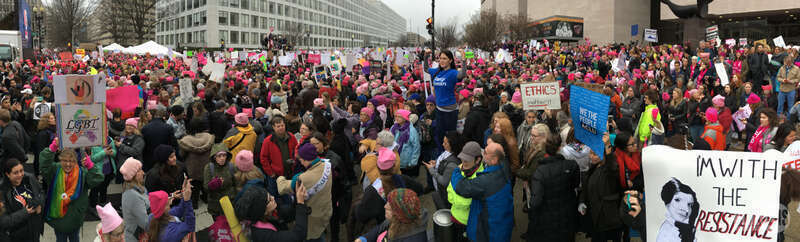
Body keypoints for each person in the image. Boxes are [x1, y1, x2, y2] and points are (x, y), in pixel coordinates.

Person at [40, 138, 104, 242]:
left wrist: (91, 166)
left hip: (75, 218)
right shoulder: (54, 171)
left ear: (76, 161)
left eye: (71, 161)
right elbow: (44, 165)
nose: (68, 164)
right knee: (60, 239)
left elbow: (97, 179)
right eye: (65, 160)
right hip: (59, 218)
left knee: (75, 238)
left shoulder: (82, 173)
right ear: (60, 160)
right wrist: (52, 148)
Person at [452, 142, 514, 242]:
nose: (482, 153)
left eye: (485, 152)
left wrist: (456, 171)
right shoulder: (504, 165)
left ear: (494, 160)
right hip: (503, 225)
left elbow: (461, 187)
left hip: (488, 231)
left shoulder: (487, 180)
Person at [527, 135, 579, 242]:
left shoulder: (540, 172)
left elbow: (535, 201)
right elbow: (575, 184)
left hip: (547, 219)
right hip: (567, 216)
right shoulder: (572, 165)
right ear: (560, 147)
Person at [276, 143, 332, 241]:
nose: (301, 163)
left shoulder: (302, 179)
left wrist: (280, 177)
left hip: (311, 219)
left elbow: (282, 188)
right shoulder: (326, 165)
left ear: (306, 159)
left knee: (314, 237)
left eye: (301, 160)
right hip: (325, 211)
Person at [355, 147, 423, 225]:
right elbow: (420, 189)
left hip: (387, 226)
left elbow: (360, 215)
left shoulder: (371, 191)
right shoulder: (404, 179)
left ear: (377, 166)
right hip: (406, 221)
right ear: (394, 165)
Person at [580, 133, 625, 242]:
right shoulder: (593, 168)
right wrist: (582, 201)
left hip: (608, 218)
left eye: (594, 154)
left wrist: (607, 146)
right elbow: (586, 187)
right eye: (590, 153)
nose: (591, 157)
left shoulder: (609, 169)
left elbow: (612, 167)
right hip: (596, 217)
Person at [235, 181, 309, 241]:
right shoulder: (263, 235)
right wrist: (300, 203)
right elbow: (298, 235)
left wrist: (298, 199)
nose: (273, 197)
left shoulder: (269, 212)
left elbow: (288, 213)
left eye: (270, 195)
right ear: (262, 210)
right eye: (269, 200)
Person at [356, 188, 428, 242]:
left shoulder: (413, 239)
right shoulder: (399, 220)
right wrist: (364, 239)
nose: (385, 206)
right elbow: (381, 227)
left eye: (390, 207)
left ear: (399, 215)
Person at [0, 158, 44, 242]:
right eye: (15, 173)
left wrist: (39, 204)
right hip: (16, 236)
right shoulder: (2, 192)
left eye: (21, 170)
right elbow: (4, 221)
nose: (20, 174)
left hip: (34, 232)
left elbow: (41, 193)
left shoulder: (29, 179)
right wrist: (25, 212)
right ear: (7, 174)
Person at [428, 50, 463, 152]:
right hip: (439, 110)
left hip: (450, 112)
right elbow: (426, 69)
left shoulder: (453, 73)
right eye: (440, 58)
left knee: (451, 138)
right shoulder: (437, 71)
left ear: (450, 60)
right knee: (439, 136)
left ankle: (452, 155)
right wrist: (426, 56)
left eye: (444, 58)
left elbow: (463, 74)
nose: (441, 61)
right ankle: (441, 157)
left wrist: (464, 59)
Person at [178, 118, 215, 205]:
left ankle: (194, 203)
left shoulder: (186, 140)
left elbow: (181, 155)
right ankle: (206, 199)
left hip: (192, 169)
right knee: (205, 184)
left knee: (194, 187)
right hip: (206, 166)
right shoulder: (209, 138)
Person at [423, 131, 462, 209]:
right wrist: (436, 162)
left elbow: (444, 182)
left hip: (444, 194)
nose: (442, 144)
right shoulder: (448, 151)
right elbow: (443, 162)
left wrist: (431, 170)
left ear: (452, 145)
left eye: (445, 143)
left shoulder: (452, 164)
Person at [120, 158, 149, 242]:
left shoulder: (139, 188)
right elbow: (146, 223)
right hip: (136, 238)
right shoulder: (133, 196)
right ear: (133, 175)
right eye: (140, 170)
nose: (143, 173)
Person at [203, 143, 236, 218]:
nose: (222, 158)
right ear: (214, 157)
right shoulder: (209, 168)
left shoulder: (231, 166)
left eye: (224, 155)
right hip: (215, 204)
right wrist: (212, 185)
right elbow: (205, 188)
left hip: (230, 202)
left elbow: (236, 184)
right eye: (219, 156)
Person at [391, 109, 421, 177]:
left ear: (405, 118)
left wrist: (413, 162)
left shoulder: (411, 131)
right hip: (394, 161)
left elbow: (416, 147)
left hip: (406, 162)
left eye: (399, 116)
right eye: (396, 116)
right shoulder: (394, 127)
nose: (396, 118)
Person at [33, 112, 57, 177]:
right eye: (52, 118)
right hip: (45, 160)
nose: (54, 119)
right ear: (47, 121)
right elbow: (40, 150)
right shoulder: (43, 133)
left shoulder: (52, 131)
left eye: (53, 118)